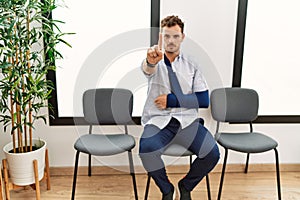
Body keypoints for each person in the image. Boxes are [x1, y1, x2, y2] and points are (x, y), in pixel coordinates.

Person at [139, 15, 220, 200]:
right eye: (167, 36)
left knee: (212, 153)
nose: (171, 41)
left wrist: (173, 101)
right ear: (161, 37)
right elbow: (147, 68)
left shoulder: (192, 64)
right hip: (159, 120)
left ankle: (186, 185)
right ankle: (167, 189)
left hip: (187, 121)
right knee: (146, 150)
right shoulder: (154, 58)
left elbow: (203, 99)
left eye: (175, 36)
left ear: (182, 37)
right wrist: (151, 61)